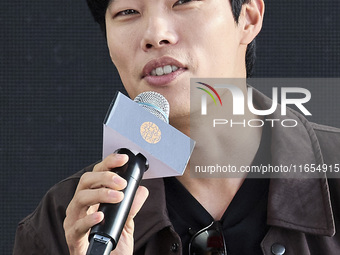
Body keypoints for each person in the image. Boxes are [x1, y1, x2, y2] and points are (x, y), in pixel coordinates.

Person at [13, 0, 340, 254]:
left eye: (183, 1)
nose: (155, 35)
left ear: (249, 17)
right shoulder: (62, 224)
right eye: (128, 11)